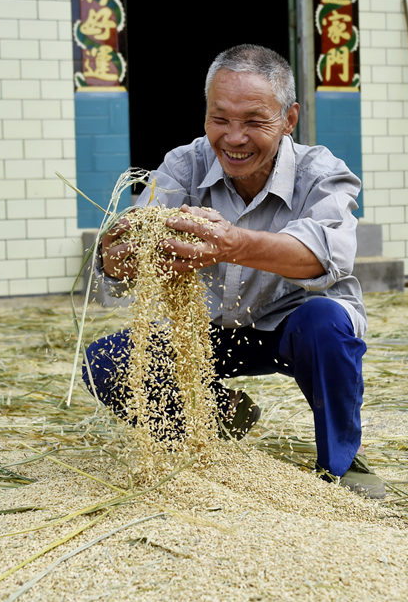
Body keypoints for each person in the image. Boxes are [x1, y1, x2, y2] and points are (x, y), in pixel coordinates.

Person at [82, 44, 385, 499]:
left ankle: (340, 463)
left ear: (289, 119)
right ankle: (213, 422)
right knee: (105, 361)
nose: (234, 138)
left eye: (253, 121)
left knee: (327, 323)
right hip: (202, 334)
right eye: (220, 119)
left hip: (290, 329)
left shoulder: (321, 172)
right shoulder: (184, 164)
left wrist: (234, 245)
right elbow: (129, 258)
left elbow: (323, 258)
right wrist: (117, 255)